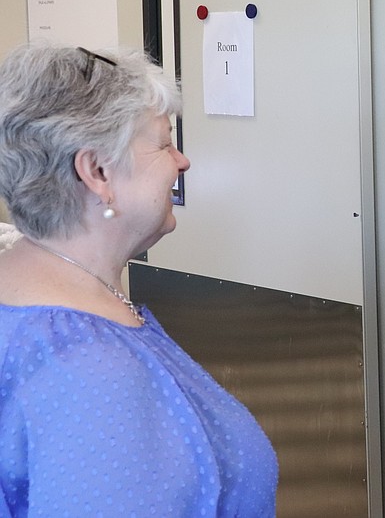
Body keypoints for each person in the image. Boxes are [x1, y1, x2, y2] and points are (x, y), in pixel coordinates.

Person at [0, 43, 278, 515]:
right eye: (165, 142)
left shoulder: (34, 293)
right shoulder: (91, 374)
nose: (181, 161)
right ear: (98, 171)